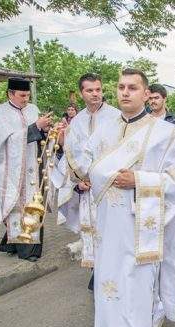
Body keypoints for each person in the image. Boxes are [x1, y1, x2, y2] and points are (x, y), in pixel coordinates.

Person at [71, 68, 175, 327]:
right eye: (121, 86)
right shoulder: (104, 129)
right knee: (109, 284)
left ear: (146, 94)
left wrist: (138, 179)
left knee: (135, 285)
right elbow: (82, 162)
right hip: (108, 224)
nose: (125, 92)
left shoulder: (165, 133)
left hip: (139, 225)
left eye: (133, 87)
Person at [51, 73, 120, 291]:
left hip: (111, 187)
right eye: (90, 90)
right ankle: (97, 273)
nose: (95, 94)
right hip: (87, 189)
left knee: (113, 233)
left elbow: (122, 151)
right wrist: (78, 182)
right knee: (92, 231)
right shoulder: (76, 122)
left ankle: (113, 275)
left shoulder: (117, 117)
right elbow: (72, 154)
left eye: (98, 89)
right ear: (82, 93)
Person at [0, 78, 52, 262]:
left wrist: (46, 129)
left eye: (28, 95)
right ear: (10, 94)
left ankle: (17, 244)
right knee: (17, 207)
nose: (26, 99)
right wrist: (35, 127)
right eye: (22, 95)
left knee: (34, 205)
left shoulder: (33, 109)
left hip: (33, 166)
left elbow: (39, 135)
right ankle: (26, 249)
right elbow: (3, 144)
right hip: (12, 171)